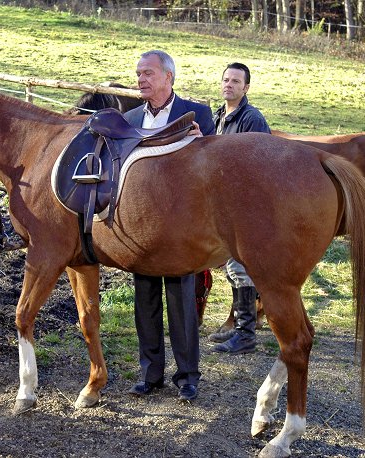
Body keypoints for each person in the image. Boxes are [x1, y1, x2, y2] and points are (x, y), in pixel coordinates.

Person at [123, 50, 215, 401]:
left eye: (148, 73)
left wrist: (200, 139)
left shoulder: (198, 114)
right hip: (140, 223)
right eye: (138, 74)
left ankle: (188, 376)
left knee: (181, 301)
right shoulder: (129, 118)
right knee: (144, 299)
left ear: (168, 77)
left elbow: (214, 162)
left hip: (182, 225)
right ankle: (150, 374)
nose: (141, 79)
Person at [208, 62, 271, 355]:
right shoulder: (218, 116)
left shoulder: (252, 119)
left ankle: (245, 333)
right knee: (233, 268)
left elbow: (261, 166)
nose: (229, 85)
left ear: (246, 88)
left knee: (239, 267)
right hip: (221, 203)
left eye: (235, 81)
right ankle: (241, 327)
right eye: (226, 80)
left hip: (245, 205)